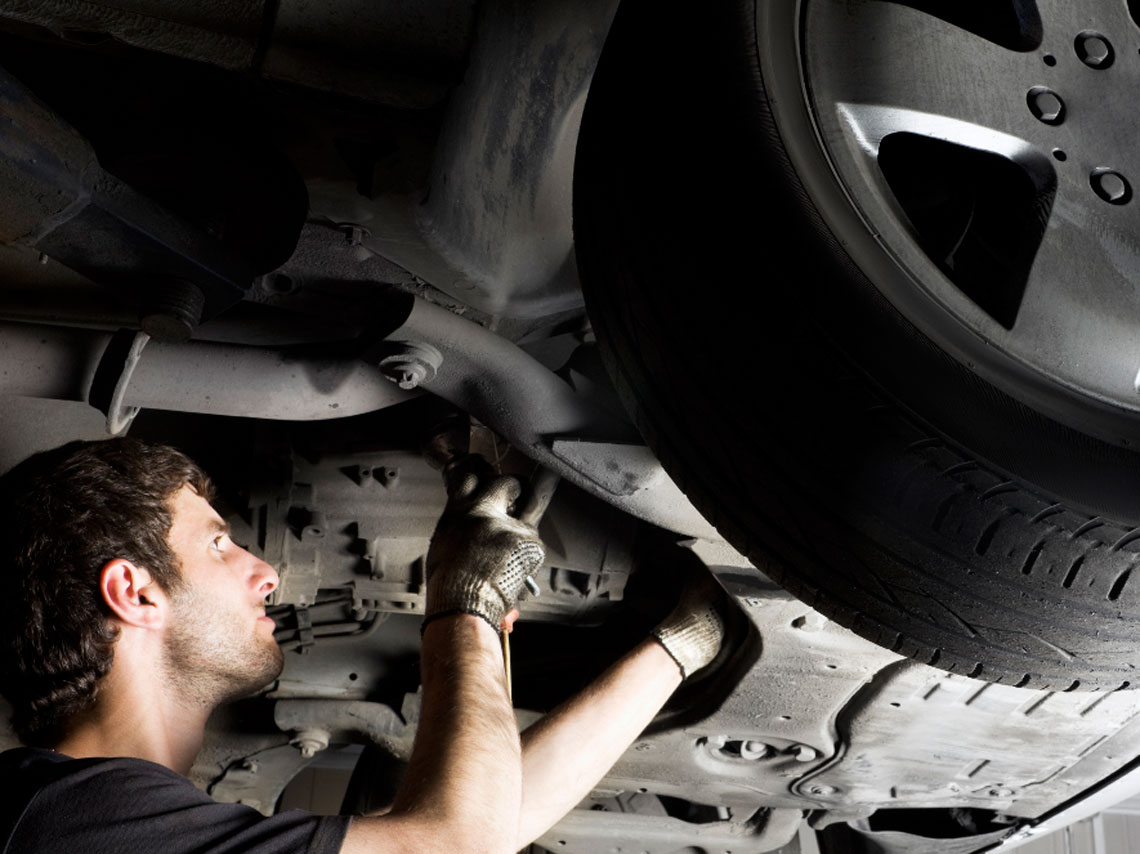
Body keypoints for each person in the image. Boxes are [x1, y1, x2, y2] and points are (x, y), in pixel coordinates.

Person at [0, 437, 726, 853]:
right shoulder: (72, 822)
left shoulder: (96, 822)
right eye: (220, 544)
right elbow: (457, 847)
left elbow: (484, 828)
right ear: (134, 592)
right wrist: (464, 604)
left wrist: (680, 646)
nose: (266, 571)